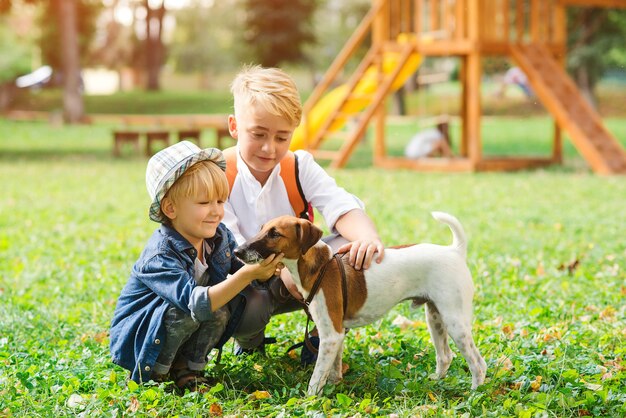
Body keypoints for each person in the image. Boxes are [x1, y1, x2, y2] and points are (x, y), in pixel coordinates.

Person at [223, 65, 385, 361]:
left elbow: (341, 205)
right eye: (258, 134)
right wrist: (281, 268)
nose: (270, 148)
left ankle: (320, 337)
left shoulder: (299, 166)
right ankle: (249, 339)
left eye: (282, 137)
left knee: (348, 255)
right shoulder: (219, 174)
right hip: (246, 278)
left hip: (302, 272)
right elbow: (230, 246)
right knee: (250, 309)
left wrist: (367, 238)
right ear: (234, 126)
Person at [109, 141, 284, 392]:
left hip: (187, 318)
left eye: (221, 201)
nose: (216, 212)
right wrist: (247, 275)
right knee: (189, 310)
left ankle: (188, 369)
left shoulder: (218, 237)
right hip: (143, 334)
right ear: (170, 208)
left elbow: (238, 268)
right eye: (204, 203)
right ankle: (155, 374)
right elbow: (195, 302)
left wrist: (266, 269)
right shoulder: (160, 255)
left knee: (219, 310)